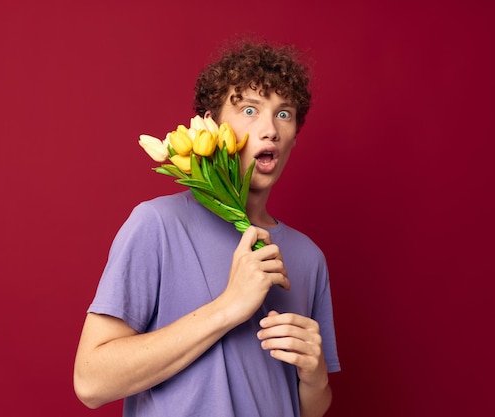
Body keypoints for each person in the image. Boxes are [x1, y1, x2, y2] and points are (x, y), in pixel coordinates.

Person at [73, 38, 341, 417]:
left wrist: (316, 379)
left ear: (295, 135)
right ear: (212, 126)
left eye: (284, 114)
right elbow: (90, 382)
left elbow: (308, 408)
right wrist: (228, 308)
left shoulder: (308, 258)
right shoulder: (158, 226)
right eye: (250, 109)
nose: (270, 130)